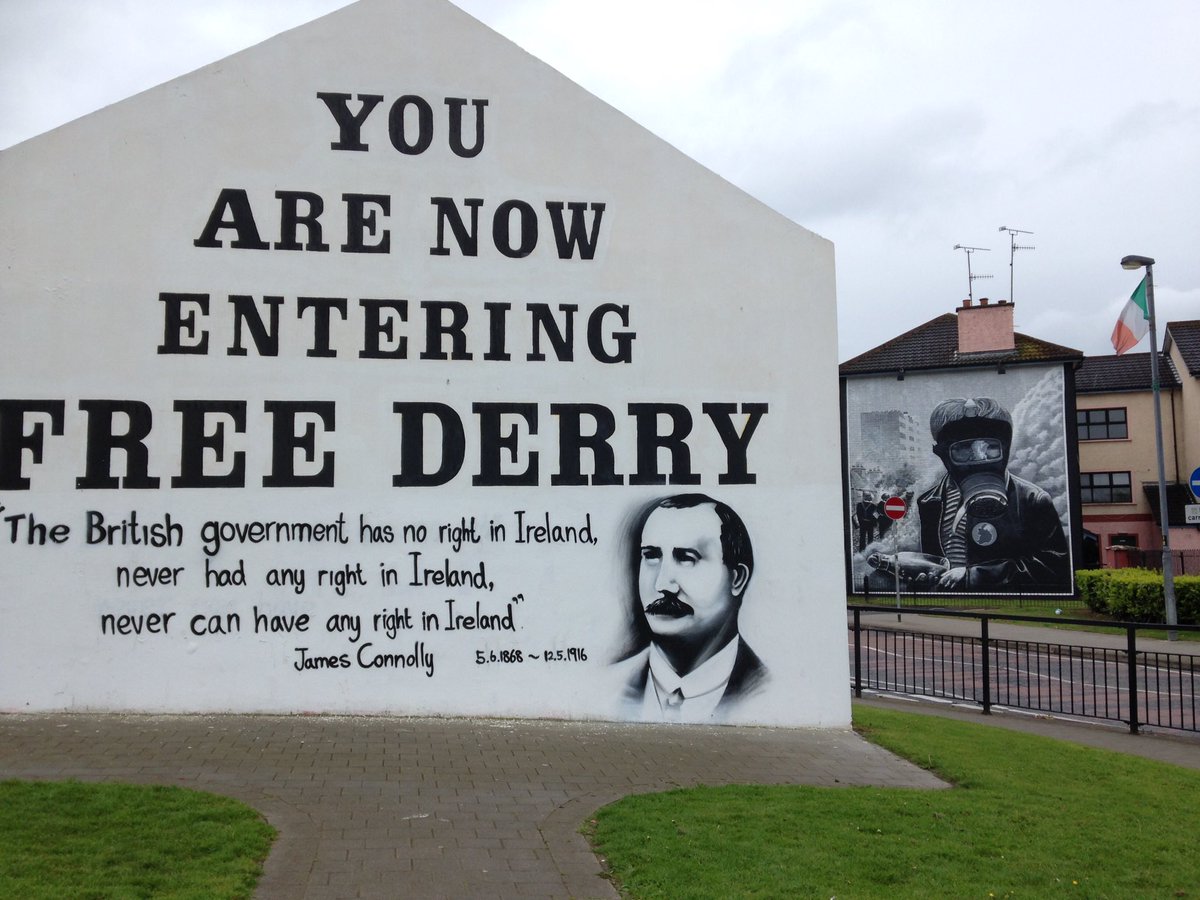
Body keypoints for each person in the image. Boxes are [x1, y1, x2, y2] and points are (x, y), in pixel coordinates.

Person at [613, 493, 767, 721]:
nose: (662, 584)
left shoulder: (771, 693)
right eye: (651, 556)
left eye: (687, 558)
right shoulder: (604, 687)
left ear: (737, 579)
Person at [915, 397, 1069, 591]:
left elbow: (1053, 566)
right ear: (942, 453)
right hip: (944, 606)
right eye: (963, 449)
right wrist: (927, 577)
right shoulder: (930, 502)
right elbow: (934, 561)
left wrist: (975, 576)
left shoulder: (1032, 500)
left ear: (1005, 448)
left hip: (1000, 606)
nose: (979, 457)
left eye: (990, 447)